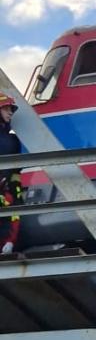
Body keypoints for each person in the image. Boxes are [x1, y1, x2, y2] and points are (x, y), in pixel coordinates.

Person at [0, 92, 23, 258]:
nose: (10, 113)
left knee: (14, 211)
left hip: (6, 192)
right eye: (6, 108)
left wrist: (17, 193)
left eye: (11, 109)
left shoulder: (13, 141)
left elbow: (16, 172)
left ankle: (8, 243)